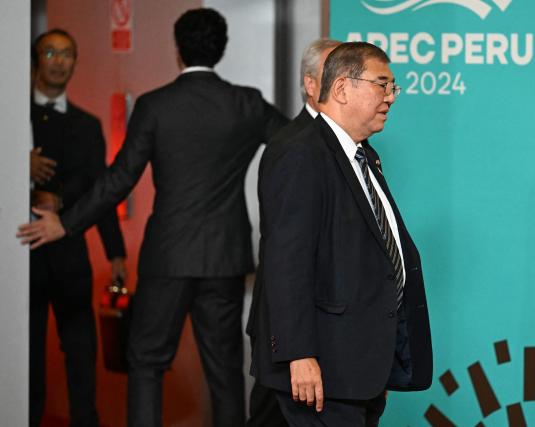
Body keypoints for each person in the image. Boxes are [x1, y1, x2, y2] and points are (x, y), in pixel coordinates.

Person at [18, 8, 288, 427]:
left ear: (178, 50)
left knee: (146, 364)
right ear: (221, 50)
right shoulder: (247, 103)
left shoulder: (155, 106)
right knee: (226, 373)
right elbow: (295, 146)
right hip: (224, 259)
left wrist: (66, 222)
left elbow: (118, 180)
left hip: (167, 257)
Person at [250, 41, 433, 426]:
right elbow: (287, 261)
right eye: (381, 85)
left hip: (356, 368)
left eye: (393, 87)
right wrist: (298, 355)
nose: (390, 97)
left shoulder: (362, 154)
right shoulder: (302, 152)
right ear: (341, 89)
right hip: (323, 368)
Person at [28, 29, 127, 427]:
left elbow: (99, 192)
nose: (58, 60)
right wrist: (18, 167)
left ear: (75, 62)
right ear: (36, 60)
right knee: (26, 351)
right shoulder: (11, 118)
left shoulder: (87, 125)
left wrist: (115, 253)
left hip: (69, 255)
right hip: (19, 255)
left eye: (66, 53)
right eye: (49, 51)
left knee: (81, 351)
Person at [246, 37, 341, 427]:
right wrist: (296, 348)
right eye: (334, 76)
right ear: (310, 84)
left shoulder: (343, 143)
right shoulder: (296, 146)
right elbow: (286, 254)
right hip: (290, 332)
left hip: (319, 328)